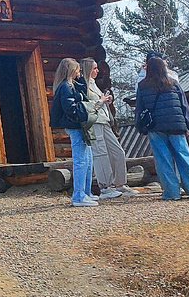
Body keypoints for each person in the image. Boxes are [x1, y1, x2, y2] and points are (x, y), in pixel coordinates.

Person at [135, 54, 189, 201]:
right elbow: (183, 105)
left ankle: (172, 192)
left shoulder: (143, 86)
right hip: (176, 125)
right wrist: (188, 125)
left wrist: (141, 128)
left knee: (163, 160)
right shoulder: (173, 83)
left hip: (156, 127)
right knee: (184, 157)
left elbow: (140, 108)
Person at [78, 57, 135, 199]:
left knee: (118, 151)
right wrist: (101, 101)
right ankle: (105, 187)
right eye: (94, 68)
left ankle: (120, 183)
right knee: (101, 154)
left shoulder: (94, 84)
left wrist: (106, 101)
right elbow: (86, 106)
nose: (97, 71)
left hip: (104, 121)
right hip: (94, 122)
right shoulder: (82, 85)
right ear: (88, 70)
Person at [49, 58, 96, 206]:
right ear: (71, 70)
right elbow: (70, 108)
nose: (79, 72)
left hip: (79, 126)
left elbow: (82, 92)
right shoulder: (65, 87)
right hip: (75, 126)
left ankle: (85, 192)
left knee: (87, 159)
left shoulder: (72, 85)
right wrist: (82, 115)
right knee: (81, 161)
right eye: (77, 70)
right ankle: (78, 196)